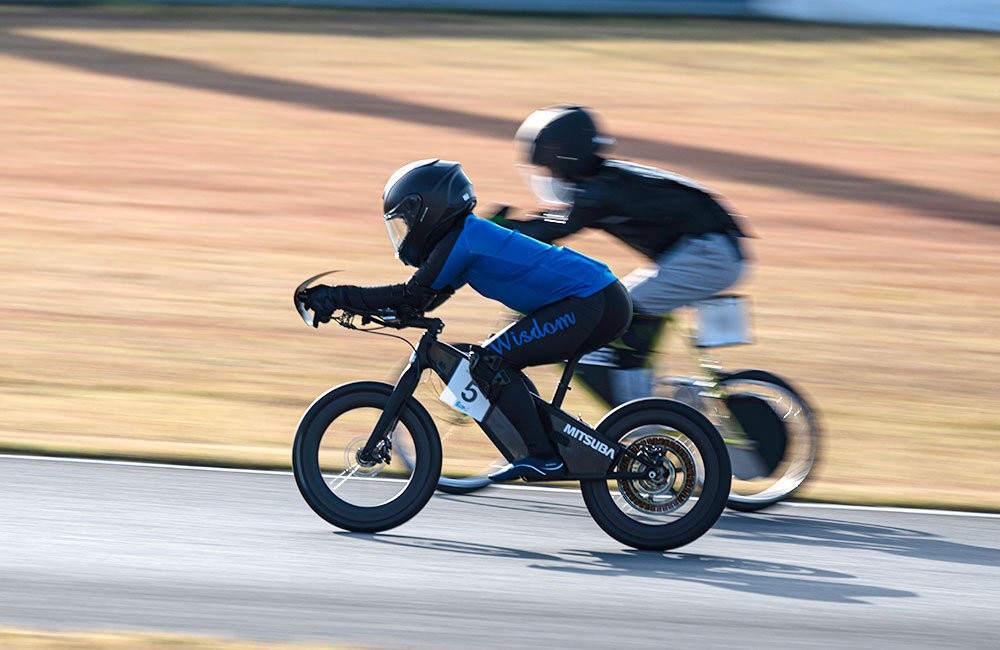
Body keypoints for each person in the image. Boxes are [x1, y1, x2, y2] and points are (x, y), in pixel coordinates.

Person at [299, 158, 632, 481]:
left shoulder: (463, 240)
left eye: (406, 220)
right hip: (595, 299)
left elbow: (411, 295)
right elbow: (422, 301)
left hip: (592, 301)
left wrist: (337, 297)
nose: (404, 232)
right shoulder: (463, 238)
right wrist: (361, 309)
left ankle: (543, 457)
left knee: (492, 360)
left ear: (427, 209)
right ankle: (545, 445)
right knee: (492, 359)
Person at [493, 105, 749, 406]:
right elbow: (558, 219)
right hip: (708, 250)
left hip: (710, 254)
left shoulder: (602, 192)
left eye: (549, 168)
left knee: (622, 309)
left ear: (567, 159)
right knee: (621, 307)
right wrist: (512, 229)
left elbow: (555, 227)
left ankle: (642, 412)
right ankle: (654, 404)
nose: (547, 176)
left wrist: (500, 233)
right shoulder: (604, 183)